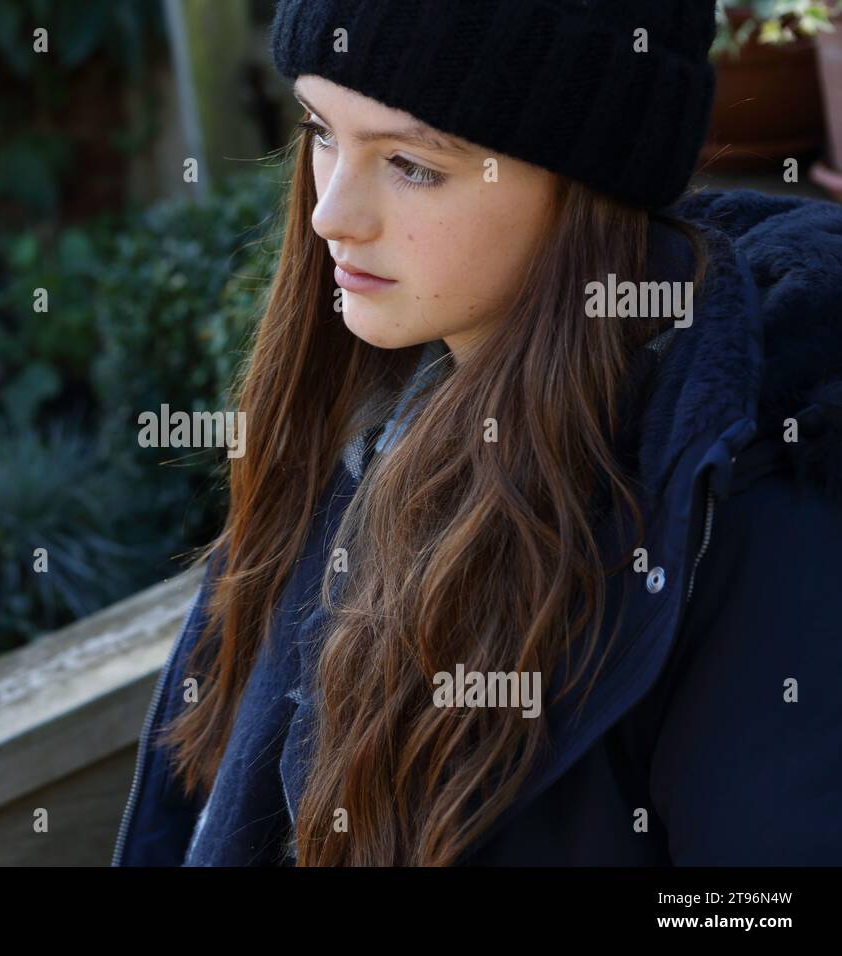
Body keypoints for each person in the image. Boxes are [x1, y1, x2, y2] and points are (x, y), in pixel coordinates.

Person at [113, 0, 842, 866]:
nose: (330, 214)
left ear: (583, 187)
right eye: (319, 130)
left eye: (413, 165)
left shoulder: (744, 512)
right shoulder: (362, 409)